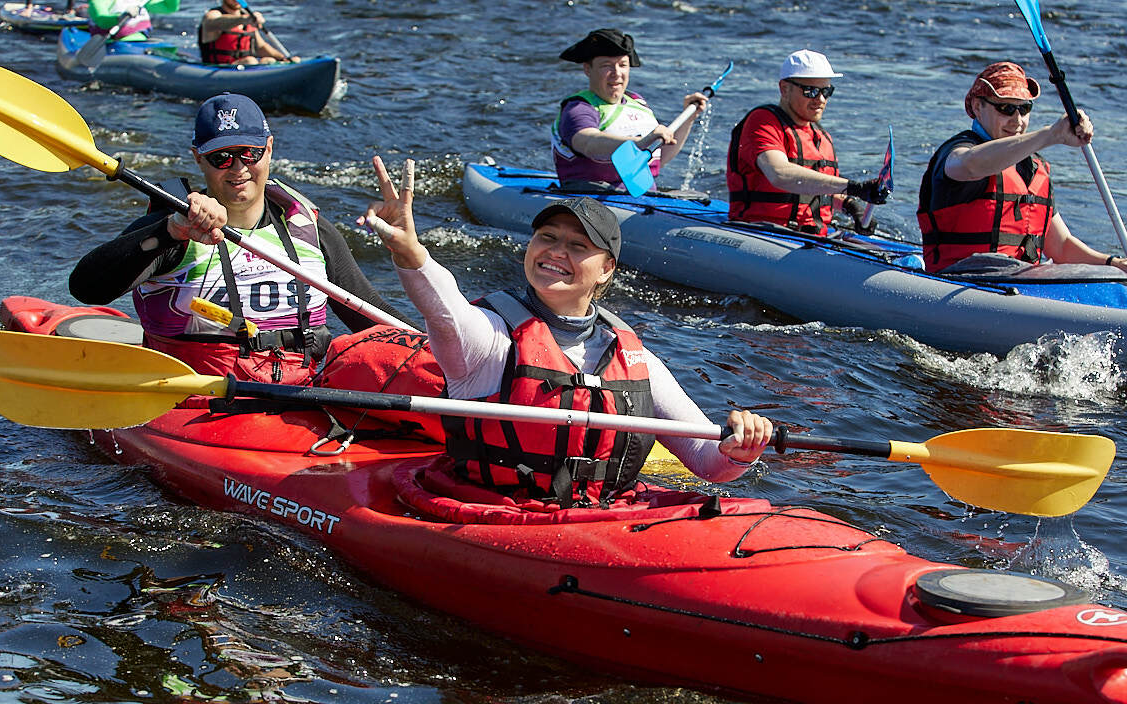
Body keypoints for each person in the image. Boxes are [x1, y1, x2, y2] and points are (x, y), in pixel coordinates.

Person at [359, 157, 774, 508]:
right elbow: (442, 307)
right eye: (547, 237)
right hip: (493, 514)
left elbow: (706, 462)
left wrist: (738, 452)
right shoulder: (486, 337)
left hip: (597, 519)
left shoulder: (631, 355)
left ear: (607, 268)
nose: (556, 251)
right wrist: (409, 252)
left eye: (578, 246)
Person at [71, 93, 398, 384]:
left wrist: (412, 262)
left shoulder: (309, 228)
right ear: (198, 158)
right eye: (221, 158)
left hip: (300, 402)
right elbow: (86, 287)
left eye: (249, 153)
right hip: (193, 405)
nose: (238, 168)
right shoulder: (172, 226)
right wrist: (171, 231)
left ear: (268, 150)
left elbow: (374, 321)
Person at [916, 61, 1127, 285]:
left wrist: (1115, 264)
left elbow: (1061, 247)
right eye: (1006, 108)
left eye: (1024, 109)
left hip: (1022, 283)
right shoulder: (959, 151)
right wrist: (1052, 135)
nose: (1017, 120)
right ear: (978, 106)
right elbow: (970, 165)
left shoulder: (1035, 167)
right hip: (959, 279)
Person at [726, 49, 888, 236]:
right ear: (784, 89)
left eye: (826, 91)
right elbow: (779, 173)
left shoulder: (821, 136)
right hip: (762, 232)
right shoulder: (762, 122)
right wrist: (854, 187)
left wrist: (851, 206)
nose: (820, 100)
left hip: (813, 237)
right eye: (810, 91)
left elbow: (814, 187)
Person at [551, 28, 708, 190]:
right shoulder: (579, 108)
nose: (617, 73)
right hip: (590, 198)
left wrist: (689, 118)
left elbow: (661, 157)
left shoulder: (637, 102)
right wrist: (639, 143)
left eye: (623, 65)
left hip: (641, 198)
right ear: (587, 69)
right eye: (607, 65)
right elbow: (587, 142)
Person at [198, 0, 299, 65]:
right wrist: (244, 19)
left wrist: (283, 58)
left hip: (244, 68)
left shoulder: (248, 18)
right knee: (250, 61)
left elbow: (260, 47)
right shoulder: (213, 15)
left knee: (269, 60)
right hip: (218, 69)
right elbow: (215, 22)